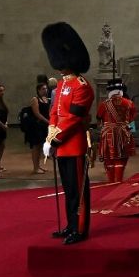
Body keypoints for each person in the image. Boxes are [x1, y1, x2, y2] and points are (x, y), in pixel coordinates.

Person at [42, 23, 95, 244]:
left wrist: (56, 138)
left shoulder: (82, 86)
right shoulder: (63, 84)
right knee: (68, 190)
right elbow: (55, 112)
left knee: (78, 191)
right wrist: (50, 138)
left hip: (74, 145)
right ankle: (70, 225)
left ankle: (80, 229)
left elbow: (73, 118)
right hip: (62, 145)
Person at [96, 78, 137, 184]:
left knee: (108, 159)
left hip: (108, 135)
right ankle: (118, 181)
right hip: (123, 133)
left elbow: (98, 118)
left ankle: (111, 181)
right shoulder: (130, 103)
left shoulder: (103, 104)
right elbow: (132, 119)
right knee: (122, 158)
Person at [27, 82, 52, 175]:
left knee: (40, 146)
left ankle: (38, 166)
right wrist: (47, 121)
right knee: (35, 147)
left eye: (46, 89)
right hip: (36, 126)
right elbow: (37, 113)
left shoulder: (46, 99)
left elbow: (49, 112)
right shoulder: (35, 99)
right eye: (43, 89)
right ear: (38, 90)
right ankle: (35, 168)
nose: (45, 90)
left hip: (44, 126)